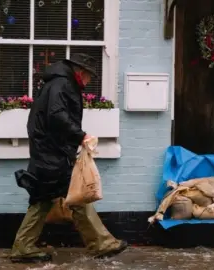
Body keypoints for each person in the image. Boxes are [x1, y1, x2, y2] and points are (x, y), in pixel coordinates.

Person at [10, 53, 128, 263]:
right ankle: (102, 243)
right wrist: (80, 135)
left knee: (43, 199)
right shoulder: (63, 85)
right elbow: (57, 115)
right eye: (89, 76)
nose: (89, 81)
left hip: (47, 152)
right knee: (77, 196)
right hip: (53, 154)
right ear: (80, 72)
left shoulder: (55, 83)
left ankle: (23, 246)